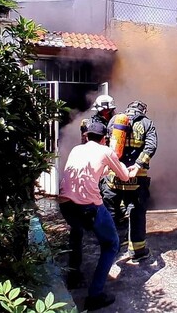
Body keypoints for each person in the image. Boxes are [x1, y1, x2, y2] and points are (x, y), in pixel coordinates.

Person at [58, 121, 138, 311]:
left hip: (66, 204)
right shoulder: (106, 151)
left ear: (86, 136)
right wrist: (132, 169)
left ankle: (73, 275)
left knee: (76, 233)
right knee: (111, 244)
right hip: (89, 206)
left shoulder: (77, 149)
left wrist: (106, 170)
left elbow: (93, 172)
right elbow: (125, 176)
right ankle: (95, 295)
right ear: (104, 139)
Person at [102, 100, 158, 263]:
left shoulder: (114, 120)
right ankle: (137, 251)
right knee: (136, 213)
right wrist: (138, 164)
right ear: (143, 110)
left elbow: (106, 143)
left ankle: (111, 248)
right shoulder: (147, 123)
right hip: (136, 178)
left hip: (113, 178)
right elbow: (151, 146)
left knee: (111, 213)